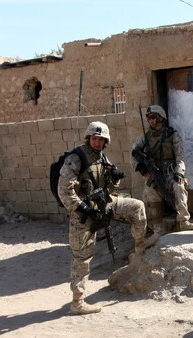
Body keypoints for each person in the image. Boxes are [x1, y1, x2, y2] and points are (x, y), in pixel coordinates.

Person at [58, 121, 149, 315]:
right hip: (82, 213)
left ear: (106, 142)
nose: (98, 142)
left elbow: (110, 189)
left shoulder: (101, 158)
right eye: (95, 138)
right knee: (82, 257)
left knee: (137, 207)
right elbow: (64, 191)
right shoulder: (76, 158)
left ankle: (140, 248)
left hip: (103, 203)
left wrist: (115, 178)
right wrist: (85, 209)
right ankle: (77, 302)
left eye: (101, 140)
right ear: (88, 138)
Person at [132, 105, 193, 234]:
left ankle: (183, 221)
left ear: (161, 118)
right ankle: (156, 226)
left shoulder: (172, 135)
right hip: (153, 173)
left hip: (171, 173)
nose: (151, 121)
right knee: (150, 192)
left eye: (153, 117)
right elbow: (134, 153)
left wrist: (179, 173)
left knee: (179, 187)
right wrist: (143, 170)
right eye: (149, 118)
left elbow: (180, 157)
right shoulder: (145, 137)